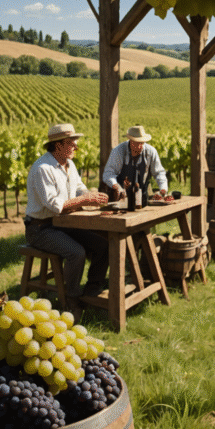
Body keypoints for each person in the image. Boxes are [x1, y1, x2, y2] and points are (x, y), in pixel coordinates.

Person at [24, 123, 111, 303]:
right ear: (59, 145)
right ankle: (72, 298)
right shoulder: (42, 169)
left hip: (64, 224)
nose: (76, 147)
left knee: (103, 244)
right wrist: (84, 201)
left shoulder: (69, 164)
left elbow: (79, 189)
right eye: (72, 143)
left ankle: (93, 289)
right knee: (76, 253)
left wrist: (92, 196)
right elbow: (54, 205)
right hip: (40, 228)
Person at [102, 125, 169, 203]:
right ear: (130, 141)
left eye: (142, 143)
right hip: (121, 199)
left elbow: (159, 173)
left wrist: (163, 189)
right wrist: (116, 186)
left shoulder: (150, 152)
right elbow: (108, 173)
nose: (140, 146)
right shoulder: (118, 151)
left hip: (142, 197)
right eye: (137, 143)